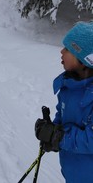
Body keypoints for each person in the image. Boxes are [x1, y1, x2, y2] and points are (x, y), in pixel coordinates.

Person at [35, 21, 93, 183]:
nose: (61, 51)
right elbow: (62, 122)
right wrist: (50, 132)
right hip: (72, 174)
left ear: (84, 60)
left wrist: (59, 138)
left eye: (68, 49)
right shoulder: (67, 87)